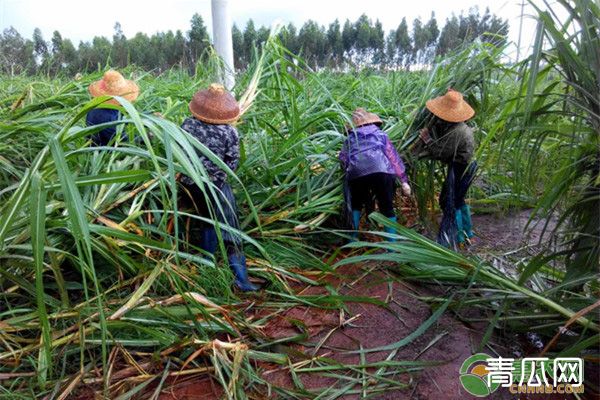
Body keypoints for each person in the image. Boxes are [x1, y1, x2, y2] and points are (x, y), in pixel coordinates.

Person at [179, 83, 258, 292]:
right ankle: (240, 278)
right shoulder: (229, 132)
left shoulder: (188, 125)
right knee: (228, 226)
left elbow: (179, 152)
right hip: (215, 186)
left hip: (189, 185)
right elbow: (231, 164)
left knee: (206, 222)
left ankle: (207, 270)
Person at [411, 89, 477, 247]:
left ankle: (458, 237)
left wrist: (427, 139)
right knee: (458, 199)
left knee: (450, 201)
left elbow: (440, 152)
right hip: (466, 166)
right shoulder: (460, 127)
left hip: (461, 168)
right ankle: (468, 233)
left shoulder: (457, 132)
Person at [339, 108, 411, 241]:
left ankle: (351, 241)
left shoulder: (349, 139)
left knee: (356, 204)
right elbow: (393, 158)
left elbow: (343, 159)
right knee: (386, 206)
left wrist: (350, 169)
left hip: (357, 174)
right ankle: (392, 246)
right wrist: (403, 180)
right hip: (381, 170)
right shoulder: (380, 134)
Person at [87, 70, 139, 146]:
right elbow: (122, 140)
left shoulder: (108, 106)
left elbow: (124, 116)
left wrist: (148, 118)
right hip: (104, 152)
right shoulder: (102, 115)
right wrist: (148, 136)